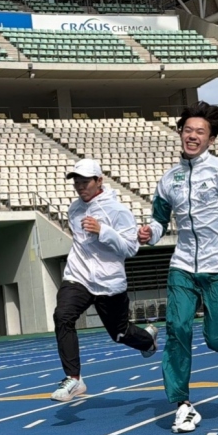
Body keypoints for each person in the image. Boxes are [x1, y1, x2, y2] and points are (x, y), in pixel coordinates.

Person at [138, 101, 218, 433]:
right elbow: (159, 220)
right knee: (177, 328)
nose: (192, 136)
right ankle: (182, 404)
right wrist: (150, 233)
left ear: (210, 138)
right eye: (187, 130)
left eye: (199, 132)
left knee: (217, 341)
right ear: (180, 133)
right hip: (182, 266)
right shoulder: (169, 179)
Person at [51, 158, 158, 402]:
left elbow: (130, 248)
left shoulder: (118, 211)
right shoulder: (74, 209)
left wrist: (103, 231)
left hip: (109, 282)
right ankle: (74, 379)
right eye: (76, 182)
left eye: (85, 182)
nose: (80, 186)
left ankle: (147, 339)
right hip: (78, 276)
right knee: (62, 316)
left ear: (99, 181)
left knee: (120, 334)